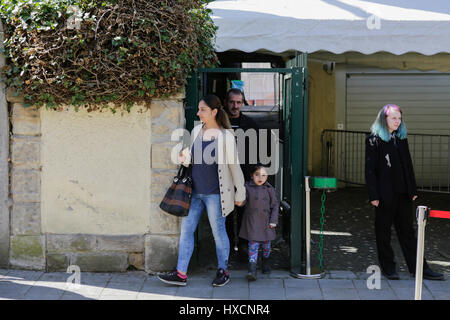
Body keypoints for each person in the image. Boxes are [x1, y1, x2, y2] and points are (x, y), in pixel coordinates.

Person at [157, 94, 246, 287]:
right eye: (198, 109)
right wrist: (185, 157)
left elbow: (234, 167)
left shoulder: (226, 137)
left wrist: (241, 193)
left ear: (214, 112)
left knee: (218, 233)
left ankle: (223, 270)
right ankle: (181, 273)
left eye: (202, 109)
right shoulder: (197, 130)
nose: (198, 113)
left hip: (216, 194)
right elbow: (191, 157)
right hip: (194, 193)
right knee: (186, 231)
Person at [365, 104, 444, 281]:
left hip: (403, 194)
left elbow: (408, 166)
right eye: (394, 118)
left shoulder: (401, 139)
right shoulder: (374, 139)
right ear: (384, 119)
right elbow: (370, 169)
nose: (397, 121)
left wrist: (412, 189)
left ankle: (420, 269)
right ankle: (388, 268)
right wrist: (374, 195)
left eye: (399, 118)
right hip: (384, 196)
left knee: (408, 233)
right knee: (383, 233)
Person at [239, 164, 279, 281]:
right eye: (257, 175)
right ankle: (252, 268)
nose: (260, 178)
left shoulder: (270, 189)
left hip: (267, 223)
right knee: (253, 246)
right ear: (252, 176)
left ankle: (265, 262)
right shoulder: (247, 187)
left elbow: (275, 206)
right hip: (253, 222)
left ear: (267, 176)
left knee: (266, 245)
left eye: (263, 175)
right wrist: (239, 201)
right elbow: (242, 200)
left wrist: (273, 220)